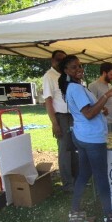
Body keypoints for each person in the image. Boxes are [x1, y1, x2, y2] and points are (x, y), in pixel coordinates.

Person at [58, 55, 112, 222]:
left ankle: (75, 207)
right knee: (101, 176)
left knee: (85, 173)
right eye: (73, 67)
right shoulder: (76, 88)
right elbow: (88, 113)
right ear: (66, 71)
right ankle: (108, 213)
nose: (78, 69)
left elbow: (89, 109)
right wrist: (106, 96)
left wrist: (100, 110)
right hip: (92, 138)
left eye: (79, 66)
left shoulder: (77, 87)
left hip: (83, 136)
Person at [42, 50, 77, 192]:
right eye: (58, 59)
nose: (60, 62)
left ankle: (76, 179)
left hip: (73, 116)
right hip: (61, 117)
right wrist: (55, 123)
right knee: (65, 151)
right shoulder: (49, 76)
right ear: (52, 60)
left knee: (75, 149)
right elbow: (48, 101)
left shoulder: (65, 75)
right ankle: (68, 184)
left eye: (64, 60)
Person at [88, 62, 112, 133]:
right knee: (108, 143)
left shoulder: (110, 85)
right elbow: (91, 105)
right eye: (111, 75)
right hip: (104, 122)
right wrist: (102, 109)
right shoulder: (93, 85)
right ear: (104, 73)